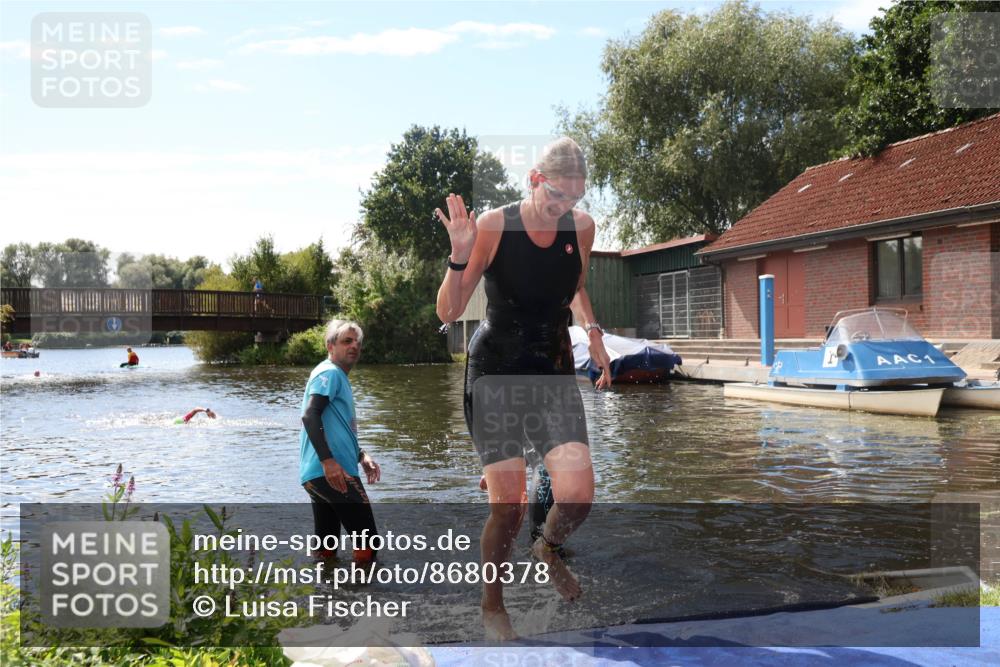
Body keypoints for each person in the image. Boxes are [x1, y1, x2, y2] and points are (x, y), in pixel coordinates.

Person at [435, 137, 612, 640]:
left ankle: (548, 548)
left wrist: (593, 335)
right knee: (508, 506)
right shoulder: (493, 226)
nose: (564, 209)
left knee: (578, 495)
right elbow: (448, 313)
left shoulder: (582, 228)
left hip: (552, 367)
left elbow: (575, 286)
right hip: (497, 373)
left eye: (574, 200)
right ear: (535, 179)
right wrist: (459, 255)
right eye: (556, 197)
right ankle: (493, 606)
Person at [299, 319, 381, 564]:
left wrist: (361, 455)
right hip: (333, 472)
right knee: (368, 540)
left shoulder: (337, 377)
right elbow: (310, 415)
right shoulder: (330, 373)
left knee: (327, 545)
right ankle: (365, 596)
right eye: (347, 341)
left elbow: (338, 428)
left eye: (357, 342)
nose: (354, 346)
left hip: (318, 475)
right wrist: (328, 461)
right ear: (330, 346)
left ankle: (326, 594)